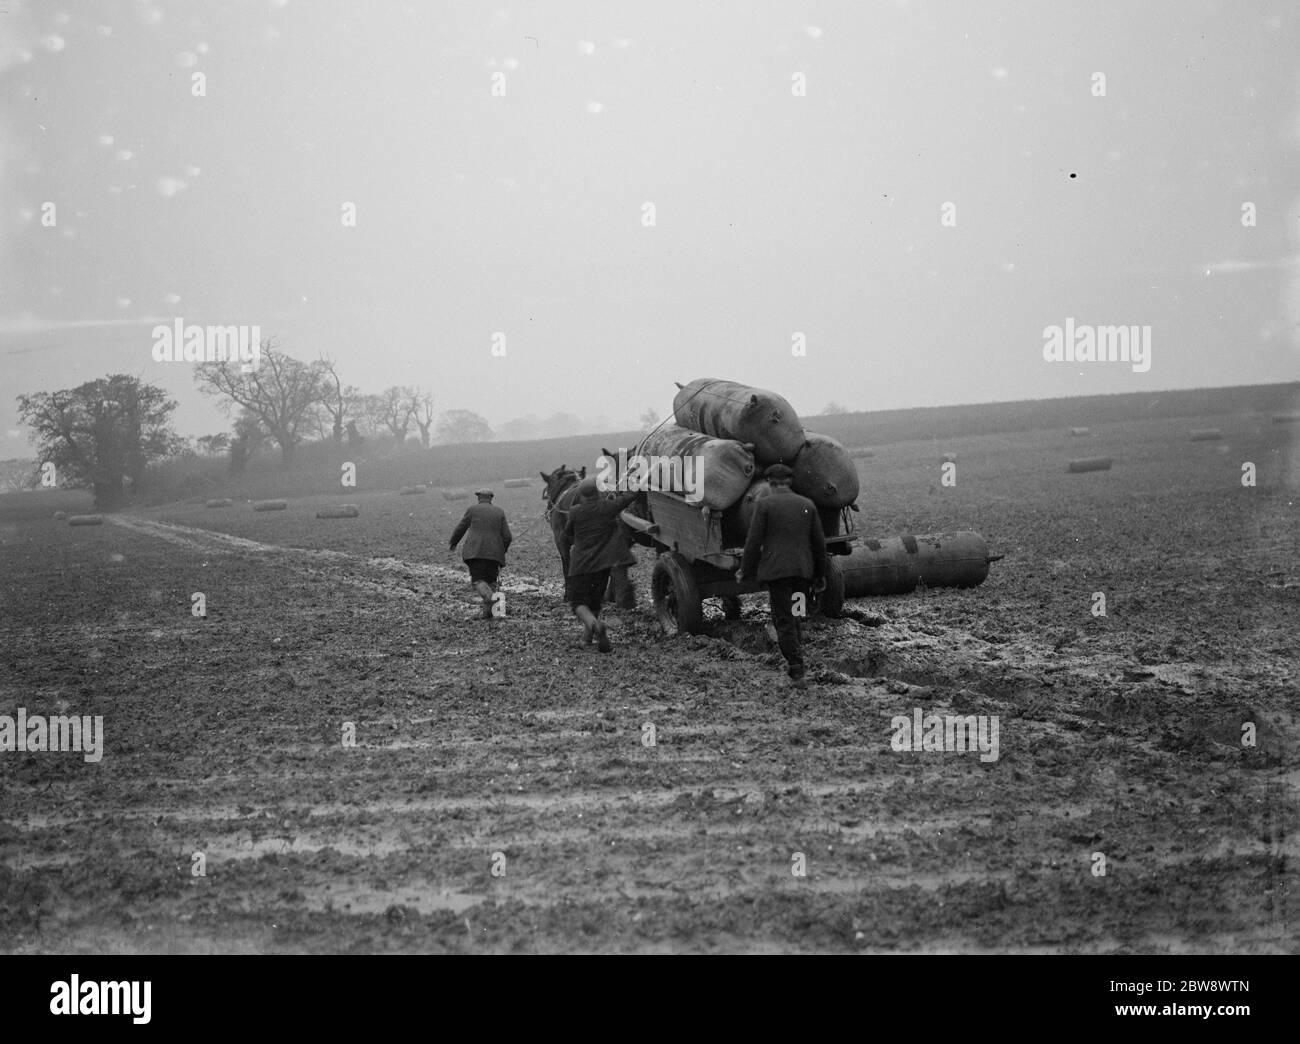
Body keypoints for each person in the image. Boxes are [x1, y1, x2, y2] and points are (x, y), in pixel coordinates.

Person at [740, 463, 827, 687]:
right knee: (797, 614)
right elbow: (819, 545)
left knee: (784, 619)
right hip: (802, 573)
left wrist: (745, 570)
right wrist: (820, 574)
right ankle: (798, 660)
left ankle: (797, 669)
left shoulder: (765, 504)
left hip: (778, 574)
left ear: (770, 482)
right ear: (790, 482)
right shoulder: (807, 504)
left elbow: (753, 542)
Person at [563, 484, 641, 651]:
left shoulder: (575, 511)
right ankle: (586, 640)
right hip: (603, 566)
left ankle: (595, 625)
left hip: (581, 566)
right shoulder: (608, 507)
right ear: (598, 493)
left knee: (577, 603)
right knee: (594, 603)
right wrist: (638, 483)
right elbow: (629, 497)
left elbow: (566, 533)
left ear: (581, 496)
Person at [448, 489, 512, 619]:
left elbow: (461, 527)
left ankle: (493, 600)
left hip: (475, 552)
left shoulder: (472, 510)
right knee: (491, 583)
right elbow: (507, 537)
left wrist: (453, 542)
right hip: (494, 555)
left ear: (479, 498)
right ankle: (490, 614)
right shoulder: (499, 512)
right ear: (491, 499)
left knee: (478, 581)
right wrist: (501, 549)